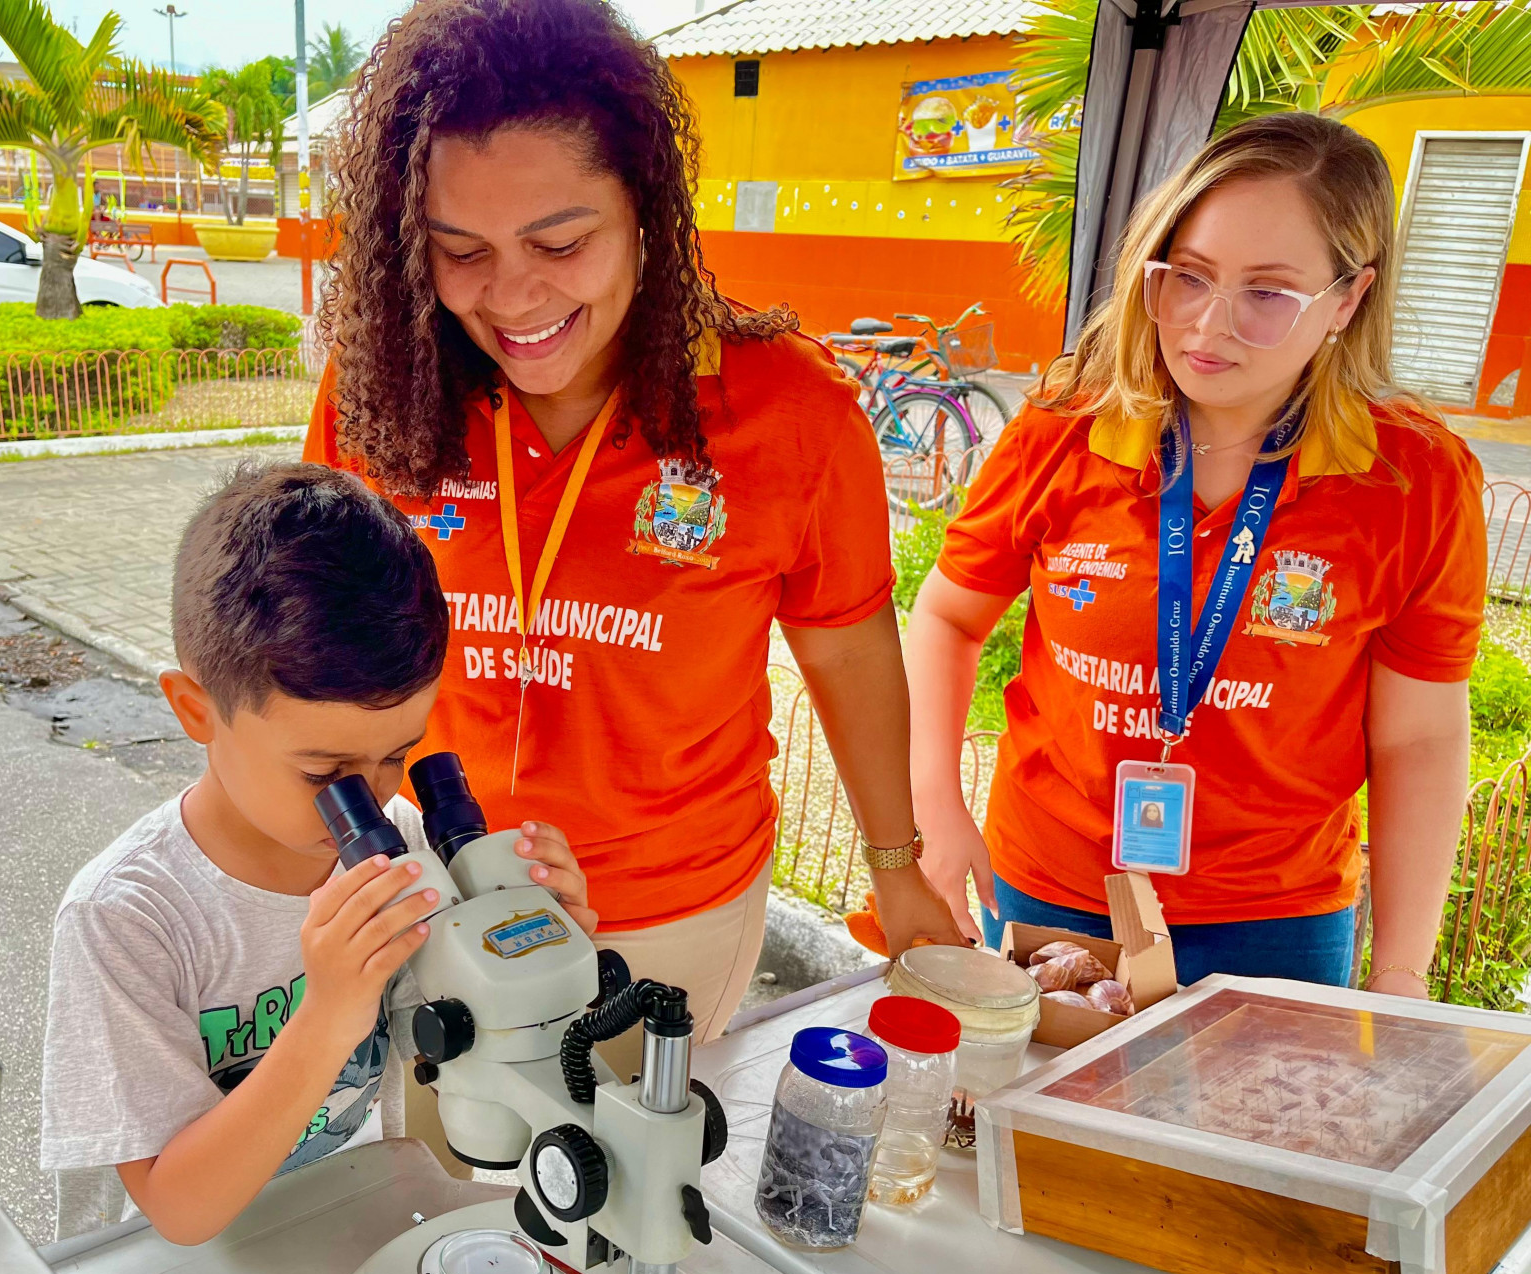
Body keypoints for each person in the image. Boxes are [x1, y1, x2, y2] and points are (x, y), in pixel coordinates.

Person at [305, 0, 962, 1045]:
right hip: (440, 898)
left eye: (560, 240)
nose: (511, 297)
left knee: (636, 1181)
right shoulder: (382, 388)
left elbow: (847, 650)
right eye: (458, 248)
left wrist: (899, 866)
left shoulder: (790, 408)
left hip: (674, 912)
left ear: (644, 208)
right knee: (447, 1183)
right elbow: (321, 638)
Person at [906, 112, 1485, 997]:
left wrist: (1402, 968)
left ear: (1347, 300)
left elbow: (1419, 737)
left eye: (1268, 293)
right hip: (1055, 891)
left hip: (1276, 923)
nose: (1207, 326)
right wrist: (934, 809)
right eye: (1190, 277)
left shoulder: (1416, 480)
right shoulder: (1069, 426)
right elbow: (947, 615)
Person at [39, 461, 595, 1243]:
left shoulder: (402, 843)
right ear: (196, 710)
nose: (367, 801)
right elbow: (178, 1209)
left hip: (349, 1222)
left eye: (399, 755)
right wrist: (328, 1014)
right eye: (326, 774)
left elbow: (456, 1041)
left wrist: (531, 954)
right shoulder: (127, 918)